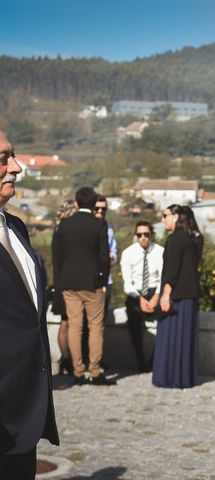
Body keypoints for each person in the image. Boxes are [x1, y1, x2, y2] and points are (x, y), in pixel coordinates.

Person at [0, 129, 59, 478]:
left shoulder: (17, 228)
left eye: (13, 155)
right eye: (3, 159)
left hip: (24, 416)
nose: (17, 167)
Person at [52, 186, 113, 386]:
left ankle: (77, 371)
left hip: (69, 284)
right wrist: (103, 280)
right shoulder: (99, 225)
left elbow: (58, 258)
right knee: (95, 327)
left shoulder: (64, 225)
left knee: (75, 327)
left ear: (76, 203)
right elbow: (105, 257)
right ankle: (95, 371)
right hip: (92, 283)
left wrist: (60, 283)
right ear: (94, 204)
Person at [153, 204, 202, 388]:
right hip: (190, 296)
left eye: (165, 215)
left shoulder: (175, 239)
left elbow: (171, 271)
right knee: (184, 339)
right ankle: (184, 377)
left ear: (175, 217)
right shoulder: (192, 239)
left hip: (176, 296)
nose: (162, 219)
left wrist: (165, 295)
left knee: (171, 339)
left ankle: (169, 376)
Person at [120, 221, 164, 372]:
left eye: (146, 234)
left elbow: (163, 278)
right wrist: (140, 299)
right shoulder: (128, 253)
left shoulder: (161, 252)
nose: (143, 238)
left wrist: (156, 297)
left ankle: (154, 360)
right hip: (136, 292)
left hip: (155, 290)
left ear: (152, 234)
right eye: (140, 235)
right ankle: (140, 360)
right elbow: (127, 283)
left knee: (167, 318)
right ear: (136, 236)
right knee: (132, 316)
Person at [50, 199, 77, 375]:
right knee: (67, 323)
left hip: (61, 281)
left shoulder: (58, 232)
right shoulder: (64, 234)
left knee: (65, 323)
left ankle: (67, 359)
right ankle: (67, 360)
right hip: (66, 283)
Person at [93, 194, 117, 311]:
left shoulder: (109, 230)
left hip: (106, 281)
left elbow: (114, 253)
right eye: (97, 208)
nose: (100, 211)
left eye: (103, 209)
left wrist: (110, 257)